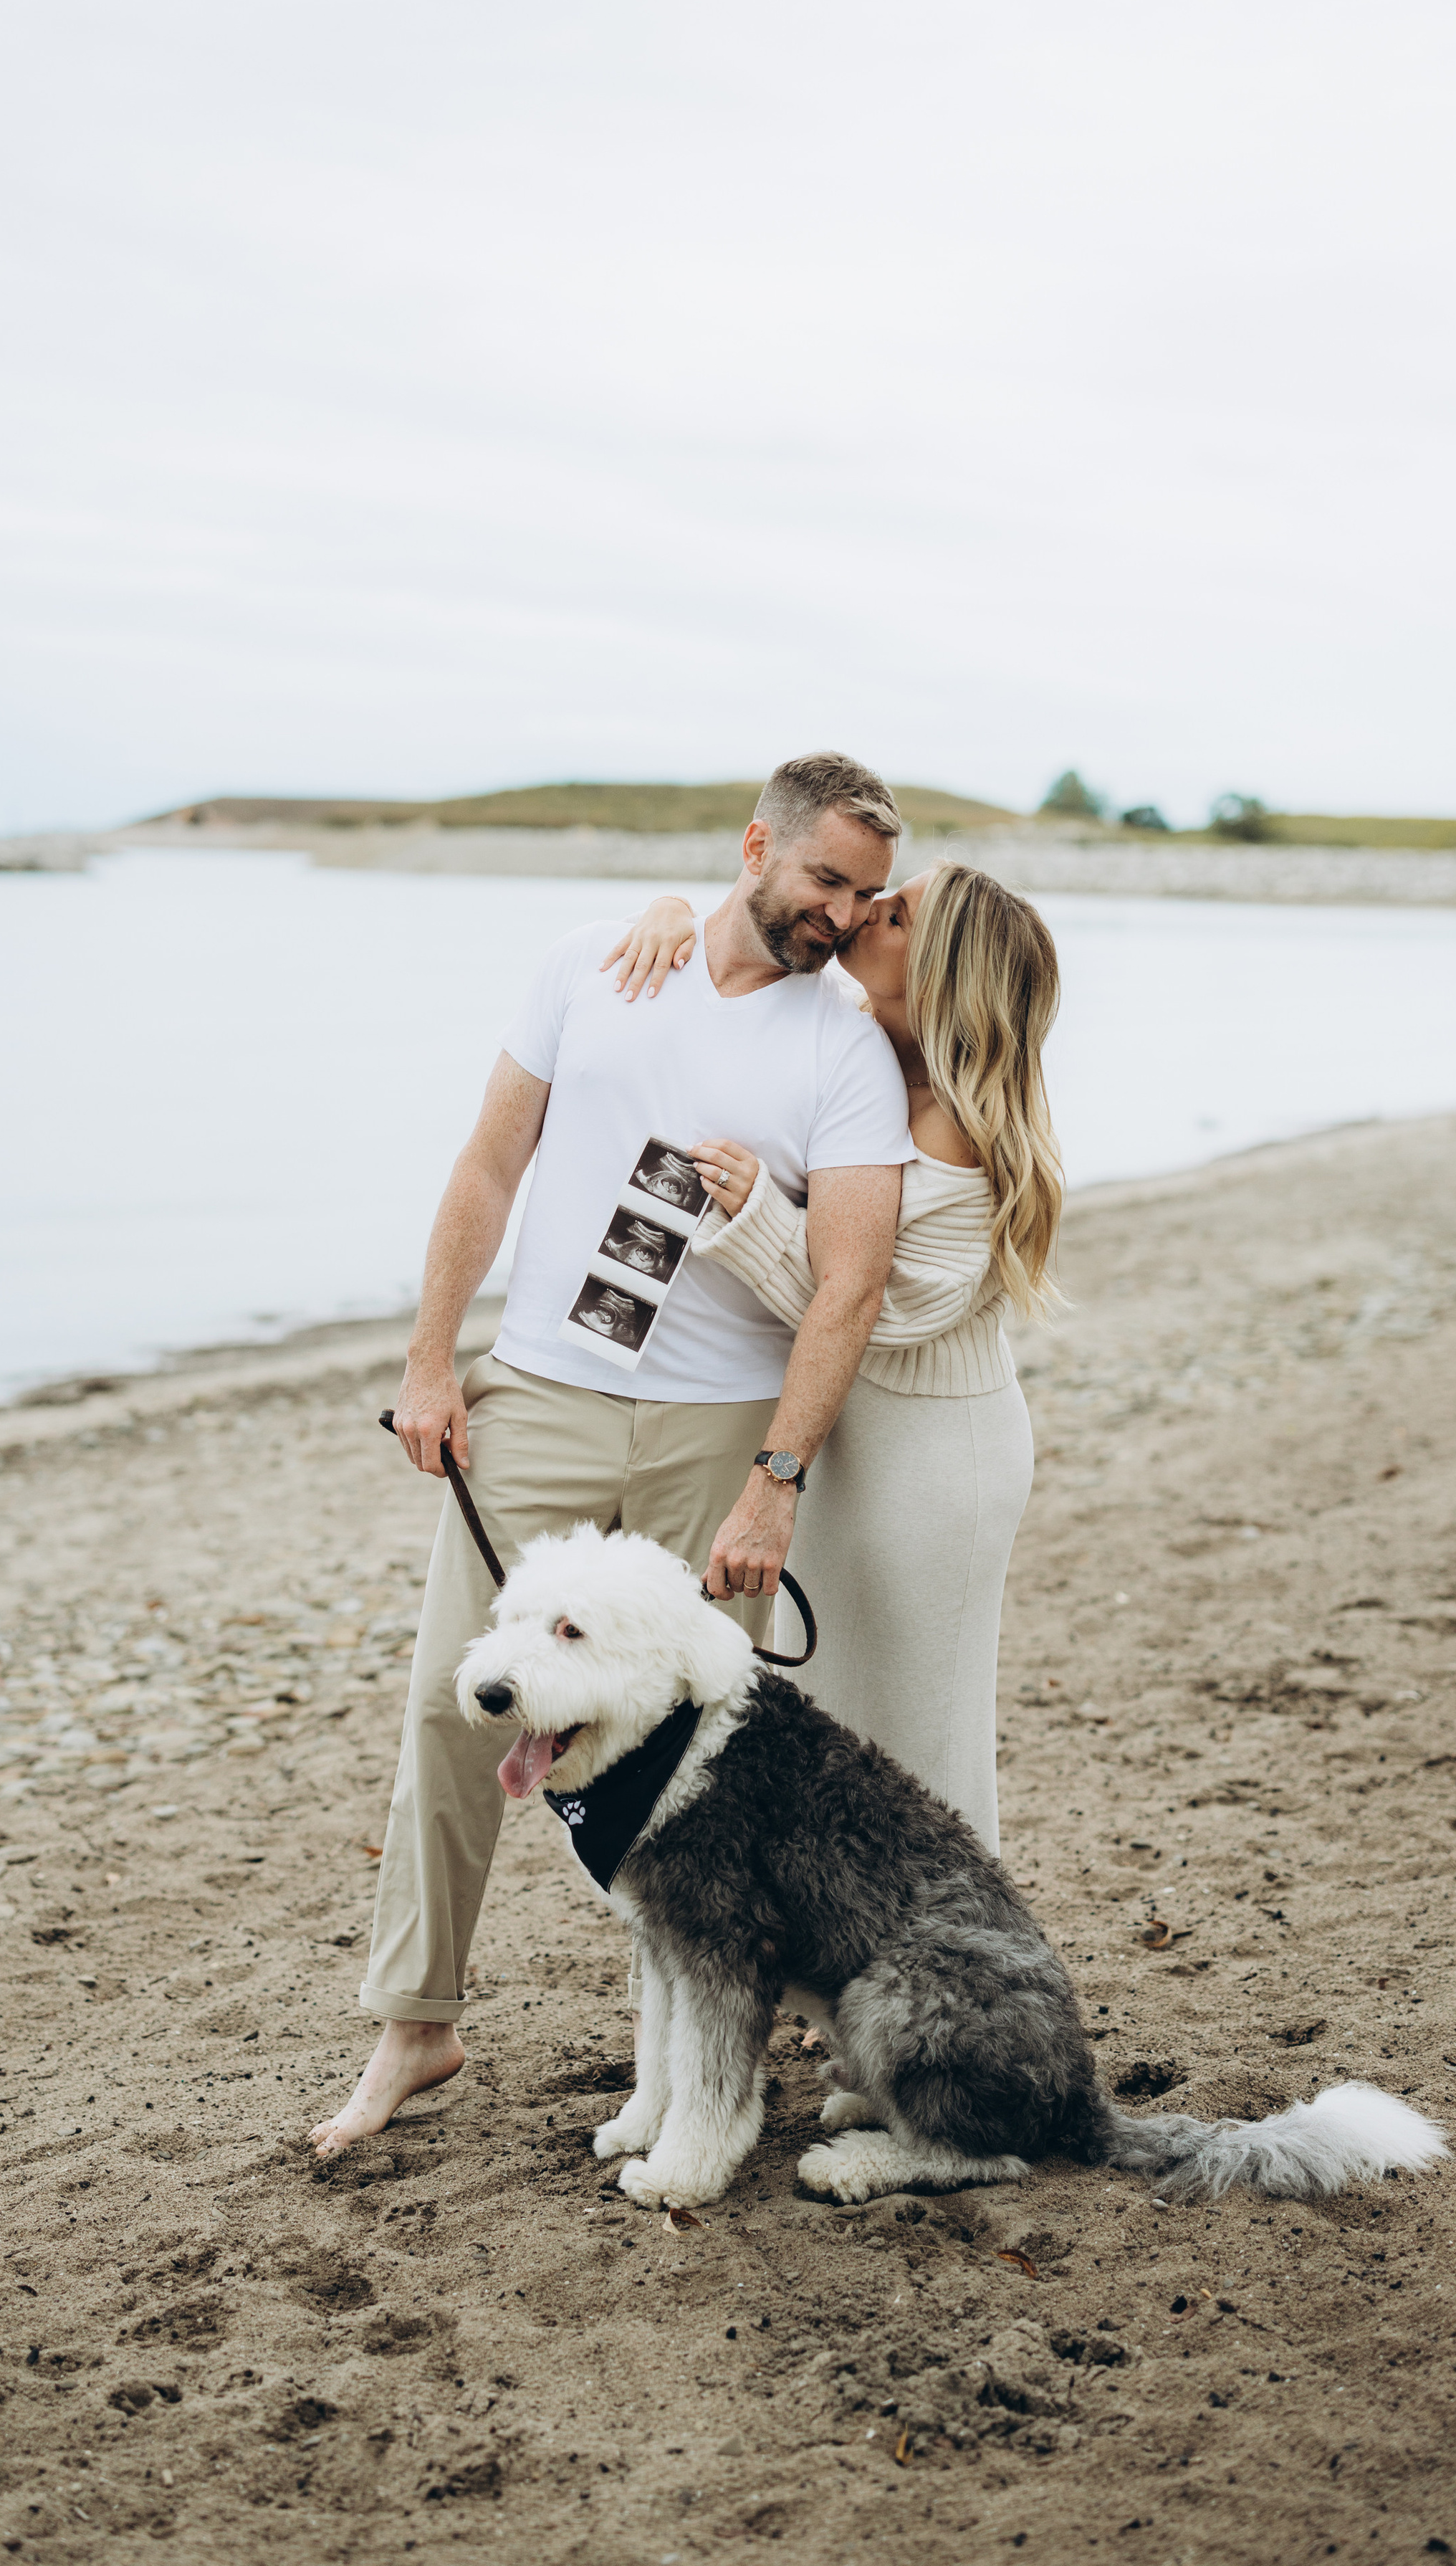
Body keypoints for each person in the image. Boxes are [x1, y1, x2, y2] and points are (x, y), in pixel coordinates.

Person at [308, 752, 916, 2158]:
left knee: (709, 1762)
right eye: (821, 876)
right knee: (457, 1709)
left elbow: (848, 1282)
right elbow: (485, 1168)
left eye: (862, 892)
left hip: (720, 1432)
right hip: (540, 1394)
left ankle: (704, 2070)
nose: (837, 909)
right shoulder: (591, 962)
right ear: (753, 846)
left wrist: (777, 1476)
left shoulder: (842, 1046)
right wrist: (425, 1359)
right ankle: (417, 2025)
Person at [616, 863, 1063, 1854]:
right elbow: (754, 937)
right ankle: (853, 1970)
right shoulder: (868, 1058)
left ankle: (957, 1964)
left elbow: (878, 1309)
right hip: (848, 1439)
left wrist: (758, 1218)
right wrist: (675, 916)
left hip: (933, 1460)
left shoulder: (955, 1119)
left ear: (940, 970)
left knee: (924, 1730)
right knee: (836, 1717)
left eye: (895, 913)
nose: (865, 912)